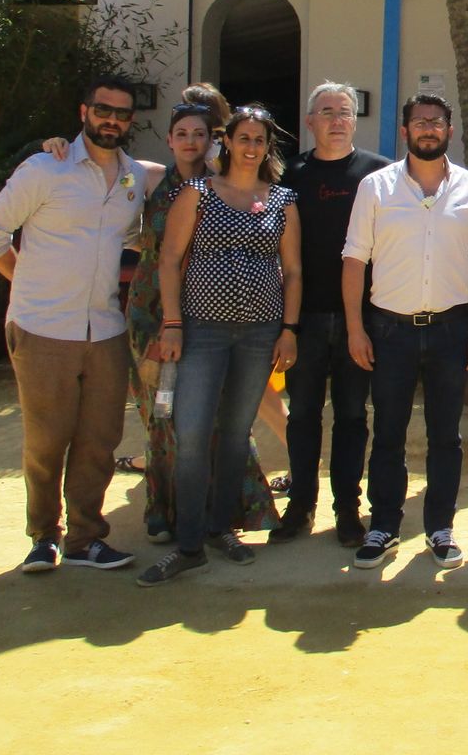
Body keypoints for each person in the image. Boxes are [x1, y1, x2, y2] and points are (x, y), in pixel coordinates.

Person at [45, 100, 278, 541]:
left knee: (215, 416)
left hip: (210, 312)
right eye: (183, 134)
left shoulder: (223, 184)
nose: (191, 142)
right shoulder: (147, 176)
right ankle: (165, 512)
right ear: (170, 139)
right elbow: (94, 157)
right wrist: (55, 144)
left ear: (214, 140)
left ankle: (222, 511)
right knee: (161, 413)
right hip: (152, 312)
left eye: (200, 134)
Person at [0, 76, 147, 574]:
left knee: (100, 438)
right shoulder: (45, 169)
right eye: (103, 110)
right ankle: (44, 536)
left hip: (105, 329)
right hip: (43, 328)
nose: (111, 119)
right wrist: (26, 283)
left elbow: (135, 234)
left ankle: (86, 538)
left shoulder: (132, 177)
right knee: (46, 439)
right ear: (84, 111)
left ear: (130, 122)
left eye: (121, 113)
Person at [137, 104, 302, 586]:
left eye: (259, 140)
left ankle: (220, 529)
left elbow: (292, 271)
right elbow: (170, 260)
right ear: (226, 141)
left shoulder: (282, 200)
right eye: (243, 137)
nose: (251, 147)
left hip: (259, 332)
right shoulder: (198, 193)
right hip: (202, 331)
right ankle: (188, 544)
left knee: (235, 434)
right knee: (191, 435)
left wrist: (288, 329)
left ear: (266, 147)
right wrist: (171, 323)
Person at [342, 93, 468, 572]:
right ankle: (384, 525)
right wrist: (355, 328)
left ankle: (439, 528)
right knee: (387, 432)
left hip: (451, 330)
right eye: (419, 121)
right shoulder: (375, 187)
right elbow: (353, 261)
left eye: (437, 121)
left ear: (450, 131)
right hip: (388, 330)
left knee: (445, 435)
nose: (428, 128)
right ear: (404, 131)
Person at [266, 82, 389, 546]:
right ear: (309, 121)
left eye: (344, 111)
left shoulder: (380, 174)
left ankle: (347, 511)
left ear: (355, 121)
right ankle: (300, 508)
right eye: (326, 111)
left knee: (354, 416)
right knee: (302, 417)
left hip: (362, 320)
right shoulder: (289, 176)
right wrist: (287, 326)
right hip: (305, 318)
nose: (336, 119)